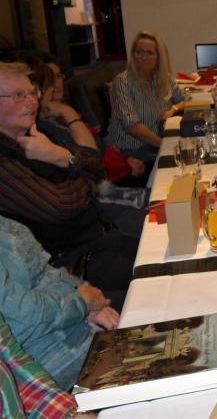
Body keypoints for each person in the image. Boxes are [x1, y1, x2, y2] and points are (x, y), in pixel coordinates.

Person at [0, 62, 137, 309]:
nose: (32, 102)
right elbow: (60, 206)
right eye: (19, 95)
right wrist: (79, 173)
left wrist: (60, 156)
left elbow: (98, 170)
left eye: (33, 92)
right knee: (167, 285)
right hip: (75, 270)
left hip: (102, 237)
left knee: (178, 263)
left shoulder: (37, 135)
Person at [0, 214, 119, 390]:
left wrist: (88, 300)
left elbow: (44, 271)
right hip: (52, 369)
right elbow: (20, 318)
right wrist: (82, 302)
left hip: (79, 335)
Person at [106, 30, 186, 163]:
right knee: (183, 161)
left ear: (159, 57)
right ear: (133, 54)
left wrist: (173, 109)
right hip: (131, 152)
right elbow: (132, 127)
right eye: (139, 52)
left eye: (150, 53)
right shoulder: (122, 82)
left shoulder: (161, 78)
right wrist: (165, 145)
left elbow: (185, 100)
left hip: (155, 143)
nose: (143, 57)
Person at [0, 312, 79, 417]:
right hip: (60, 354)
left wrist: (70, 414)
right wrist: (85, 305)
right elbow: (32, 315)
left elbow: (11, 357)